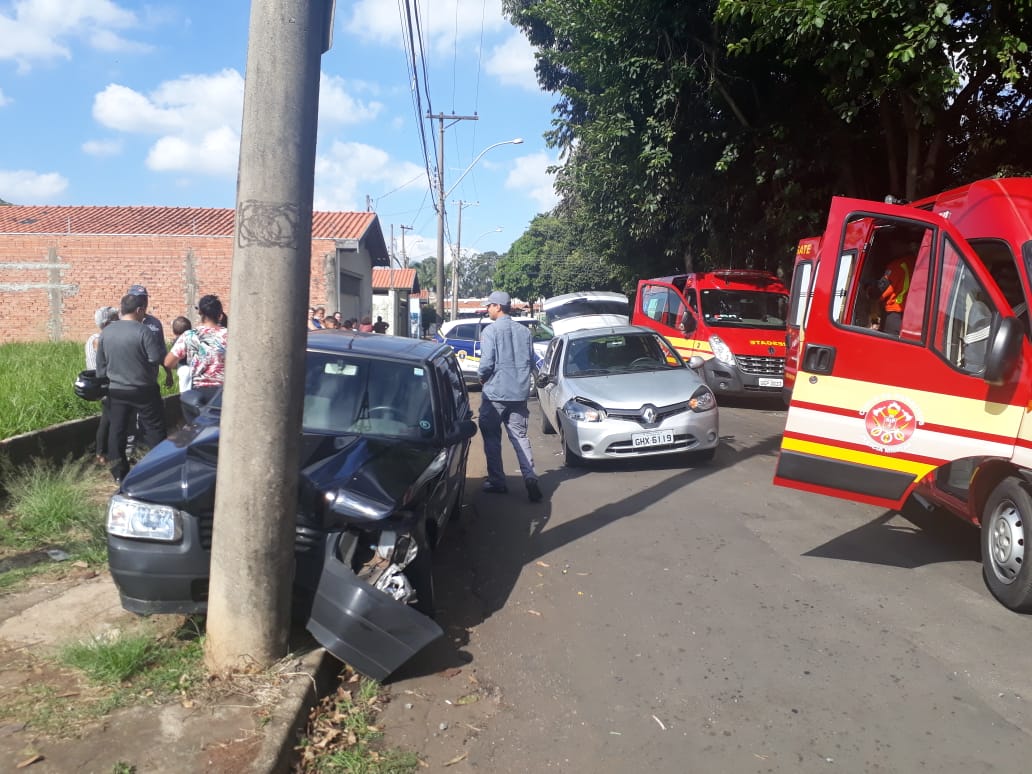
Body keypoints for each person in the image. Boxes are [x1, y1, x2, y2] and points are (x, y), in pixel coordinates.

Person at [477, 290, 542, 502]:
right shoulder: (525, 332)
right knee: (520, 437)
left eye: (489, 306)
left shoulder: (490, 332)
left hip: (495, 394)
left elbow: (486, 364)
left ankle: (497, 481)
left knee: (492, 438)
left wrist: (481, 378)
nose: (487, 309)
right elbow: (531, 363)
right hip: (519, 393)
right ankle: (530, 477)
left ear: (497, 307)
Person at [97, 294, 168, 482]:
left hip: (116, 390)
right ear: (139, 310)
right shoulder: (143, 331)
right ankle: (158, 470)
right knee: (155, 429)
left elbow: (100, 366)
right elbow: (154, 358)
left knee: (117, 431)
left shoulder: (106, 332)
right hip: (144, 389)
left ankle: (119, 474)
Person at [165, 294, 228, 423]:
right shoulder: (229, 335)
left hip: (199, 394)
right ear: (220, 315)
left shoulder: (190, 336)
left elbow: (168, 362)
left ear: (200, 313)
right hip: (224, 393)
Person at [86, 306, 119, 464]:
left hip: (103, 383)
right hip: (104, 383)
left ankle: (102, 453)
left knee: (107, 418)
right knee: (108, 420)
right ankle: (103, 453)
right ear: (108, 323)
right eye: (116, 319)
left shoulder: (96, 337)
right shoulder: (99, 340)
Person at [877, 256, 912, 336]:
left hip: (893, 312)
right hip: (910, 314)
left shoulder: (898, 264)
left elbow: (883, 290)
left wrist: (869, 292)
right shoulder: (919, 263)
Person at [170, 316, 193, 391]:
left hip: (183, 368)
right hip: (195, 368)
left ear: (174, 331)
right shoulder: (194, 339)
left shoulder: (177, 342)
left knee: (185, 392)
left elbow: (173, 361)